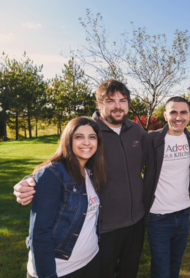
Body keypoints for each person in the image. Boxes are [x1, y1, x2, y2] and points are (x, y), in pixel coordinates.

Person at [15, 79, 147, 278]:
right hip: (104, 229)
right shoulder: (90, 131)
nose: (118, 106)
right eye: (110, 100)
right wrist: (30, 180)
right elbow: (60, 161)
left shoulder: (136, 131)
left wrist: (188, 136)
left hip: (135, 222)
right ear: (99, 104)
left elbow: (156, 153)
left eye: (123, 100)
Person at [26, 117, 106, 278]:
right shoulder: (52, 174)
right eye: (79, 136)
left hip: (90, 261)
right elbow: (39, 234)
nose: (86, 142)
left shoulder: (92, 172)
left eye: (92, 137)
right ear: (68, 140)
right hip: (60, 270)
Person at [142, 96, 190, 277]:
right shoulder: (152, 140)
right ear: (165, 115)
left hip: (184, 214)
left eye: (183, 112)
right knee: (161, 269)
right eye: (173, 112)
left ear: (189, 115)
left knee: (175, 265)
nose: (178, 117)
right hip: (158, 217)